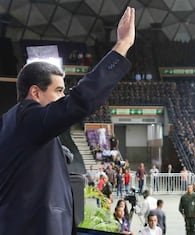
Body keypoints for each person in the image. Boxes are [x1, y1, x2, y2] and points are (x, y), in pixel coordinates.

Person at [0, 7, 135, 234]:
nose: (63, 97)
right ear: (35, 93)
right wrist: (122, 46)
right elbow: (80, 101)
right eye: (59, 90)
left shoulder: (15, 124)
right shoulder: (27, 118)